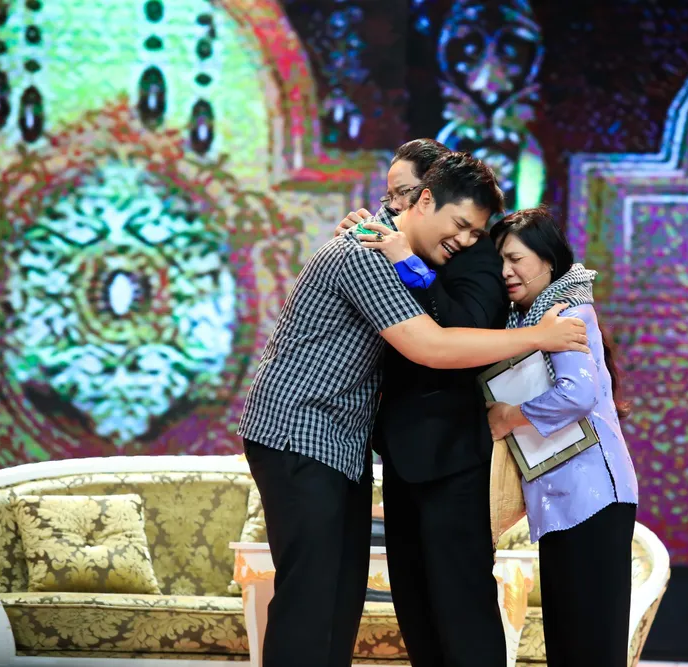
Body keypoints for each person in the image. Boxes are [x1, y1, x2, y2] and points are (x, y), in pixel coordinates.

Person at [237, 154, 589, 667]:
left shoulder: (387, 248)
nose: (467, 240)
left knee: (337, 597)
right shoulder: (367, 252)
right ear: (425, 200)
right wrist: (538, 335)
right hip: (301, 429)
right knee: (311, 595)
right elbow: (430, 345)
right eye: (460, 225)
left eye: (476, 232)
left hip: (339, 442)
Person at [338, 138, 508, 666]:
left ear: (430, 194)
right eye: (390, 197)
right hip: (401, 453)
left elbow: (466, 331)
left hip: (452, 458)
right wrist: (356, 243)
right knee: (415, 606)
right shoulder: (392, 242)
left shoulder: (478, 255)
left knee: (462, 606)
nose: (394, 207)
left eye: (405, 194)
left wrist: (409, 262)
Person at [486, 206, 639, 667]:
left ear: (548, 261)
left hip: (592, 497)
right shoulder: (526, 321)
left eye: (516, 259)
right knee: (569, 641)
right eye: (500, 261)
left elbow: (578, 393)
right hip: (562, 499)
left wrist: (509, 416)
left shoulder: (569, 311)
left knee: (590, 643)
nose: (506, 271)